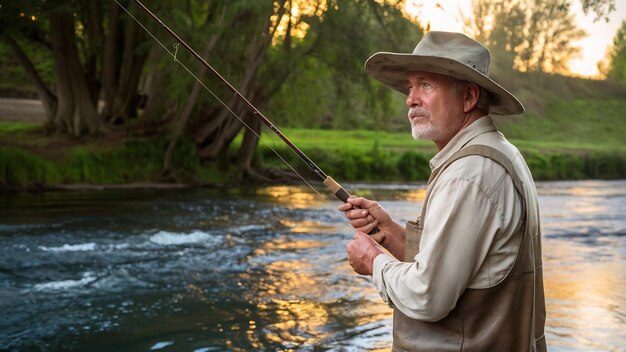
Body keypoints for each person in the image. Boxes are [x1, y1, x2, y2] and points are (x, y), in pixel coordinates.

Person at [339, 31, 547, 351]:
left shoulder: (469, 174)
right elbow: (455, 264)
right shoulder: (498, 152)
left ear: (469, 98)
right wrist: (386, 231)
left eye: (426, 85)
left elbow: (428, 297)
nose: (411, 99)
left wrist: (373, 261)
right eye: (410, 87)